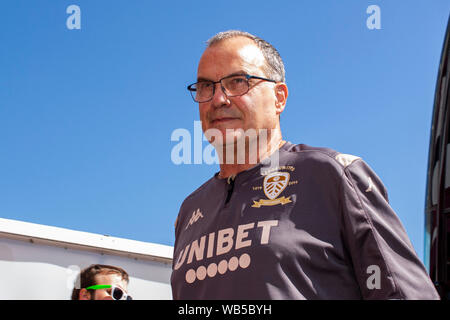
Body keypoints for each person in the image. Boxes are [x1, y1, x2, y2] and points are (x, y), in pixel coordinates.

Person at [170, 30, 440, 299]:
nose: (218, 99)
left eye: (238, 81)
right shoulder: (190, 211)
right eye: (206, 86)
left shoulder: (333, 175)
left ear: (279, 98)